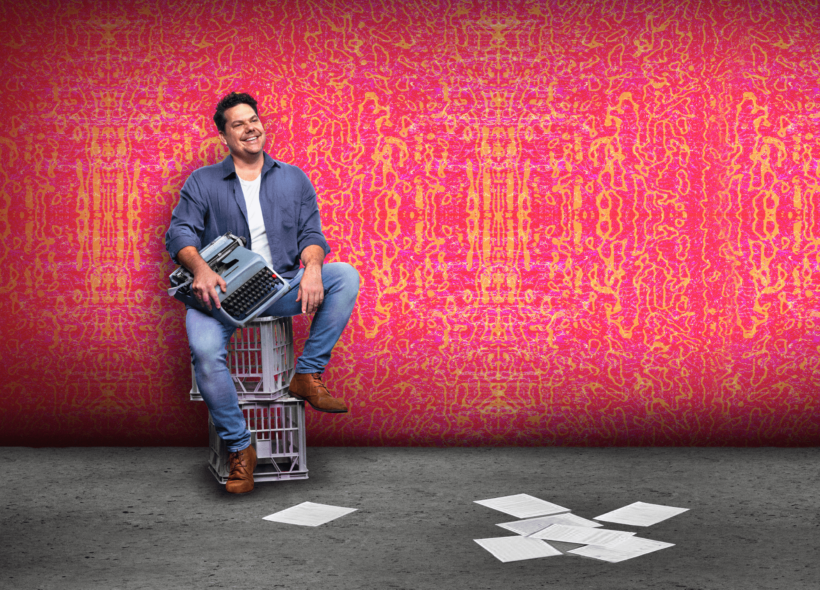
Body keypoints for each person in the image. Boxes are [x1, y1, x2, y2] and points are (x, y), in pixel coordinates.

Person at [165, 92, 359, 494]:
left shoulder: (293, 177)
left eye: (253, 119)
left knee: (345, 275)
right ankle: (240, 449)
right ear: (224, 136)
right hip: (217, 293)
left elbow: (312, 234)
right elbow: (179, 232)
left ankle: (306, 375)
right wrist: (199, 269)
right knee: (204, 353)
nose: (250, 128)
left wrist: (313, 266)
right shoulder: (202, 181)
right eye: (238, 124)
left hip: (277, 286)